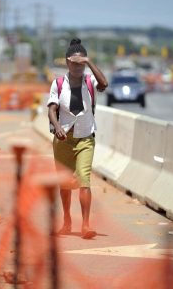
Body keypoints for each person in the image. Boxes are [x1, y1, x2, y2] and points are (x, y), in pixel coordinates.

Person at [47, 38, 108, 239]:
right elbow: (51, 110)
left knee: (84, 178)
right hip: (63, 138)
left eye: (80, 63)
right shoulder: (58, 83)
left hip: (85, 137)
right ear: (67, 62)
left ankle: (86, 224)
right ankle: (66, 220)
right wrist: (57, 128)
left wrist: (88, 62)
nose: (77, 67)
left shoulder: (90, 82)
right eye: (73, 63)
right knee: (64, 183)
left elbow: (104, 83)